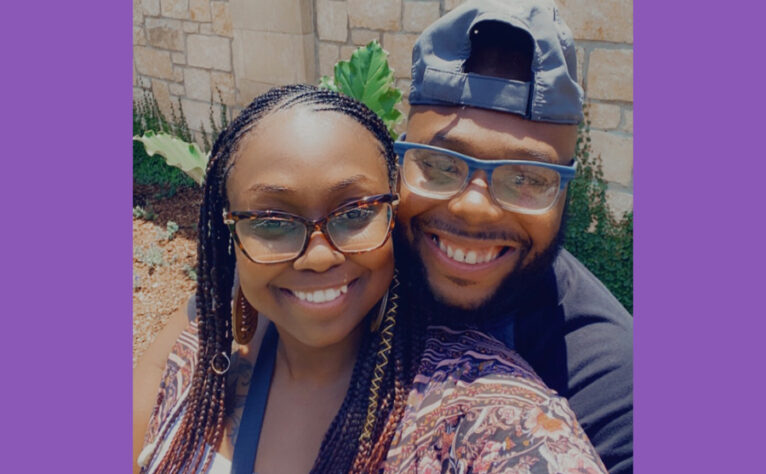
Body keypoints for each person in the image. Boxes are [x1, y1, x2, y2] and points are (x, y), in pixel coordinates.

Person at [133, 84, 607, 473]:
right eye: (273, 222)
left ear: (394, 217)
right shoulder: (198, 354)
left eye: (355, 212)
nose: (319, 257)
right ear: (230, 234)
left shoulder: (484, 414)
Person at [393, 1, 634, 472]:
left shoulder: (611, 390)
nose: (474, 207)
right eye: (439, 165)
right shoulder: (355, 275)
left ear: (566, 190)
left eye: (527, 178)